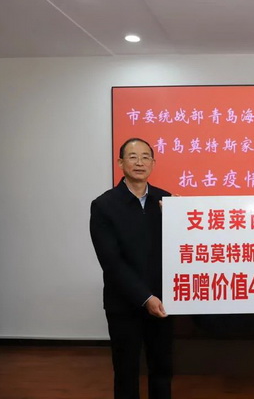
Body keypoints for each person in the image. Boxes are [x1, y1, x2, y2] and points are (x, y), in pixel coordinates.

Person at [90, 138, 173, 399]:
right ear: (120, 163)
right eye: (133, 157)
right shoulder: (104, 205)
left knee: (162, 369)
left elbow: (181, 250)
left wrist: (180, 220)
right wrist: (145, 297)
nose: (140, 162)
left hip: (163, 302)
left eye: (146, 157)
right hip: (124, 304)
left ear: (153, 163)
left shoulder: (166, 201)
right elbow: (111, 262)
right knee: (126, 372)